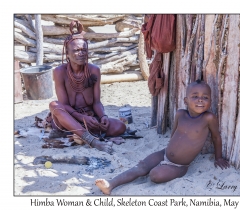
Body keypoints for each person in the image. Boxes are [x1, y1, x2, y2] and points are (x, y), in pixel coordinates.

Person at [95, 79, 229, 195]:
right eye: (195, 96)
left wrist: (218, 158)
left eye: (205, 97)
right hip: (164, 153)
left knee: (154, 175)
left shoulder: (208, 118)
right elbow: (174, 134)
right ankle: (110, 184)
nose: (200, 100)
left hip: (179, 165)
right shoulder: (180, 114)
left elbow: (216, 138)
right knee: (141, 167)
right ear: (186, 100)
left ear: (210, 101)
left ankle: (162, 169)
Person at [48, 20, 126, 154]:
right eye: (77, 50)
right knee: (54, 105)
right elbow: (64, 105)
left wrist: (103, 116)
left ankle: (79, 134)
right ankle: (92, 140)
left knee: (120, 127)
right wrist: (81, 118)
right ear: (67, 53)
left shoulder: (94, 70)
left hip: (90, 119)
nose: (81, 53)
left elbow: (96, 102)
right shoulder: (59, 72)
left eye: (84, 50)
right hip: (68, 119)